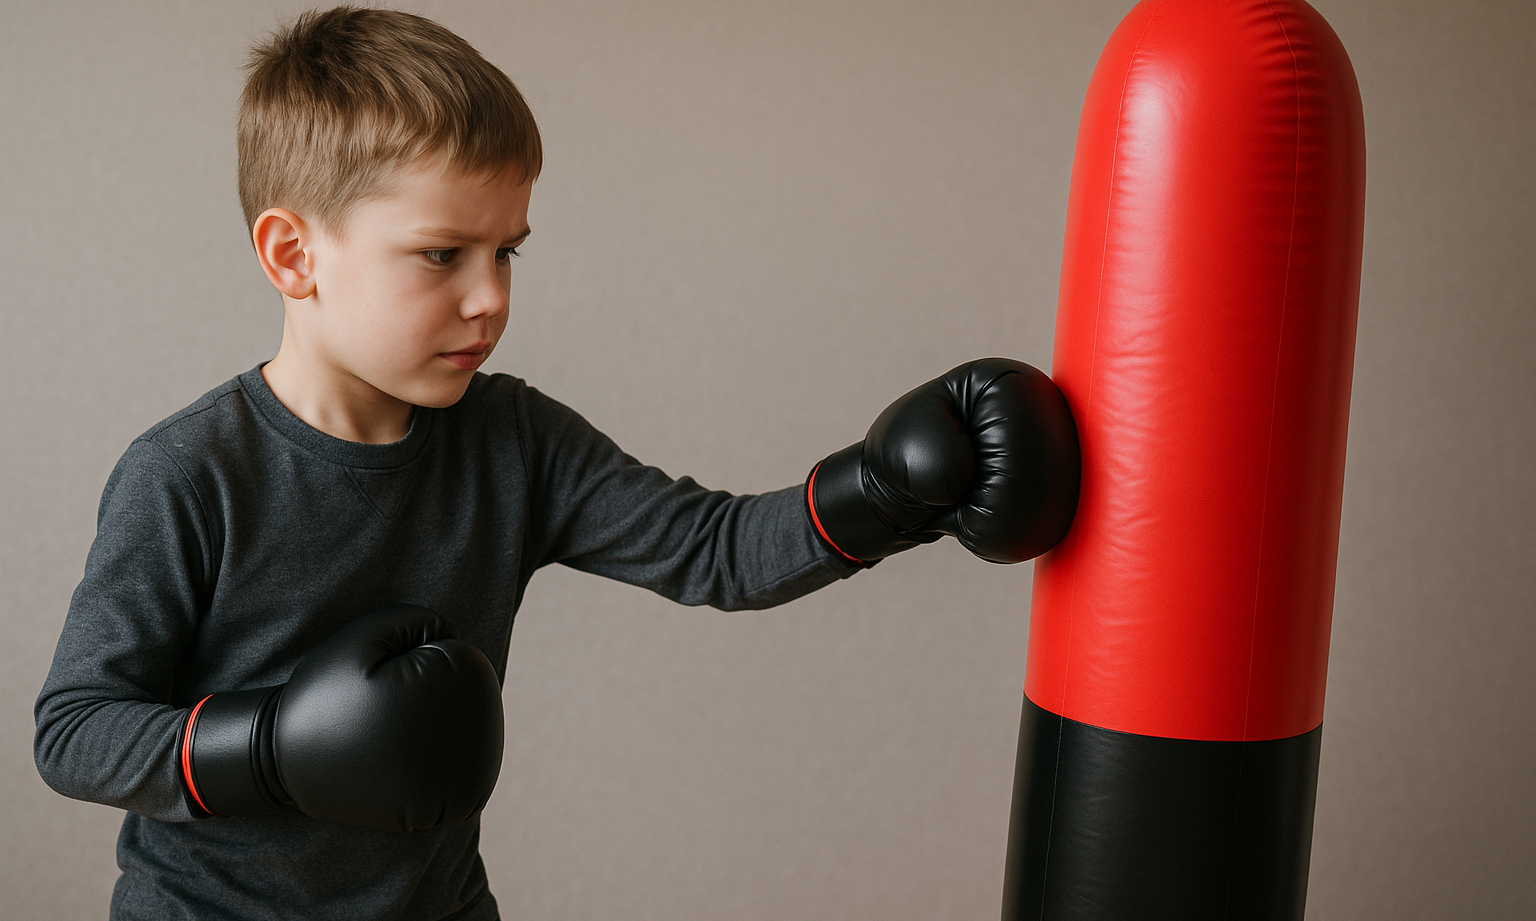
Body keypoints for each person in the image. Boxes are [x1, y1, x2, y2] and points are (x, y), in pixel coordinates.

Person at [33, 7, 1078, 920]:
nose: (490, 297)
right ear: (294, 256)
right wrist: (264, 748)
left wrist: (884, 489)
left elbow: (713, 550)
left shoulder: (511, 442)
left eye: (508, 251)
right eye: (444, 254)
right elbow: (76, 732)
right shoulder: (190, 473)